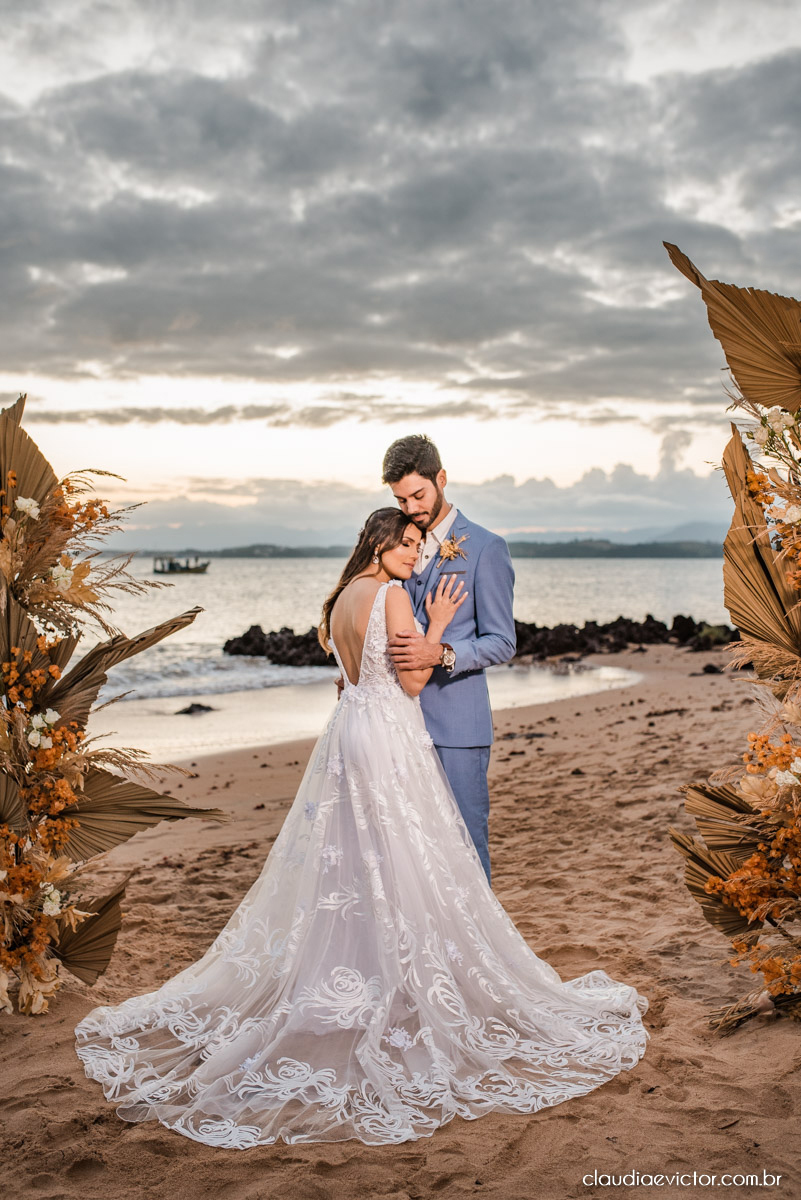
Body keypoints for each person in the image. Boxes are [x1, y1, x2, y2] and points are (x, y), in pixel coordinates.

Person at [74, 508, 648, 1149]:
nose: (413, 554)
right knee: (402, 853)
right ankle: (394, 982)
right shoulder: (396, 597)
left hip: (349, 735)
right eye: (405, 544)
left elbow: (350, 682)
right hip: (389, 736)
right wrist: (435, 625)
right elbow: (412, 681)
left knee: (354, 858)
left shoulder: (344, 595)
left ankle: (364, 969)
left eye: (417, 543)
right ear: (380, 543)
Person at [383, 434, 515, 885]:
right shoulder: (399, 544)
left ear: (441, 479)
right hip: (401, 725)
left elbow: (502, 641)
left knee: (466, 847)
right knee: (413, 850)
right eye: (400, 499)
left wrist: (442, 652)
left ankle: (483, 954)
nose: (411, 508)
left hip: (459, 727)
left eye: (418, 495)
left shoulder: (485, 548)